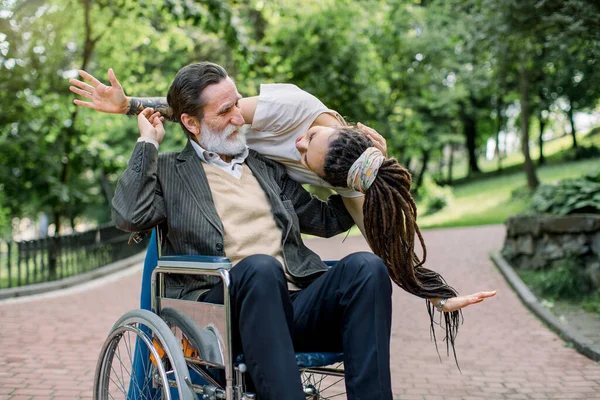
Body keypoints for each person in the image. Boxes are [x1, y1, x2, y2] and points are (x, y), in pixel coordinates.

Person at [70, 62, 496, 398]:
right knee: (259, 269)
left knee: (366, 268)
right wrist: (146, 142)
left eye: (238, 103)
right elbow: (129, 215)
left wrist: (367, 169)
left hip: (291, 302)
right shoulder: (171, 171)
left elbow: (327, 221)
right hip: (223, 311)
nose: (240, 116)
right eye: (225, 111)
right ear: (192, 123)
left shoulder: (266, 167)